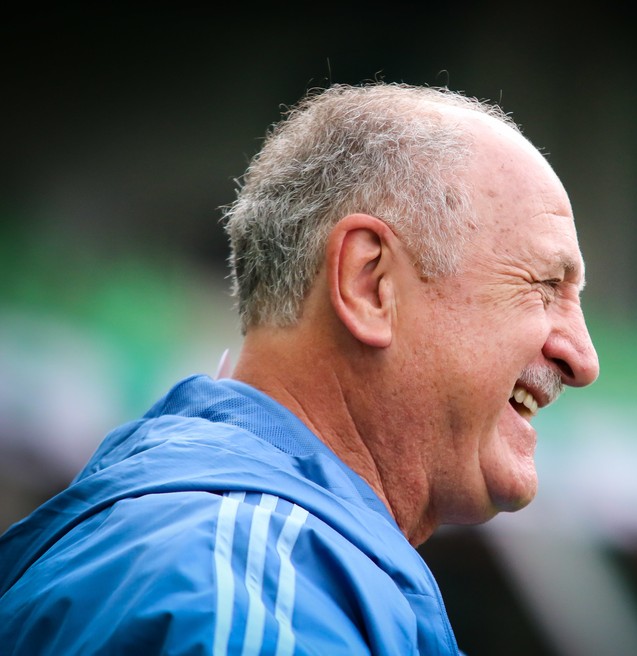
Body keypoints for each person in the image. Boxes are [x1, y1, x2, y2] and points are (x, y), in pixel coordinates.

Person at [0, 82, 600, 655]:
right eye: (544, 287)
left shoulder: (215, 557)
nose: (582, 359)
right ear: (369, 285)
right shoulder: (247, 591)